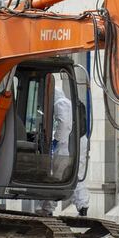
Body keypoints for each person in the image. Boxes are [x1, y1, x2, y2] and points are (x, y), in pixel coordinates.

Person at [35, 87, 90, 217]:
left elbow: (64, 124)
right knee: (76, 175)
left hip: (66, 145)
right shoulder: (67, 103)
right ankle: (83, 206)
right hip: (77, 142)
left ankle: (47, 209)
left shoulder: (61, 103)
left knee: (56, 177)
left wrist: (56, 140)